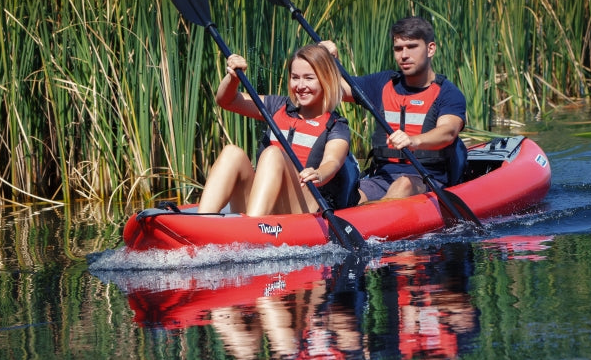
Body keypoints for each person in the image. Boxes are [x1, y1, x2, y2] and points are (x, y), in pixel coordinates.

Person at [197, 44, 358, 216]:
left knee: (274, 153)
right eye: (295, 77)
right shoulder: (277, 106)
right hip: (263, 204)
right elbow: (227, 101)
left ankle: (254, 229)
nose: (300, 85)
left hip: (304, 208)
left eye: (309, 78)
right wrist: (233, 79)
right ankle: (201, 221)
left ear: (326, 79)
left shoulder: (336, 125)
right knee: (231, 153)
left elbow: (332, 161)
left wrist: (318, 173)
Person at [324, 16, 467, 204]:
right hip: (380, 179)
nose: (404, 55)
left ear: (430, 49)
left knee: (403, 184)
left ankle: (374, 223)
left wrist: (414, 140)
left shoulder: (448, 93)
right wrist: (327, 60)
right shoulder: (383, 83)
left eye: (412, 47)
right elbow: (339, 90)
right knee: (351, 196)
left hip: (427, 180)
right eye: (398, 49)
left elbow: (448, 131)